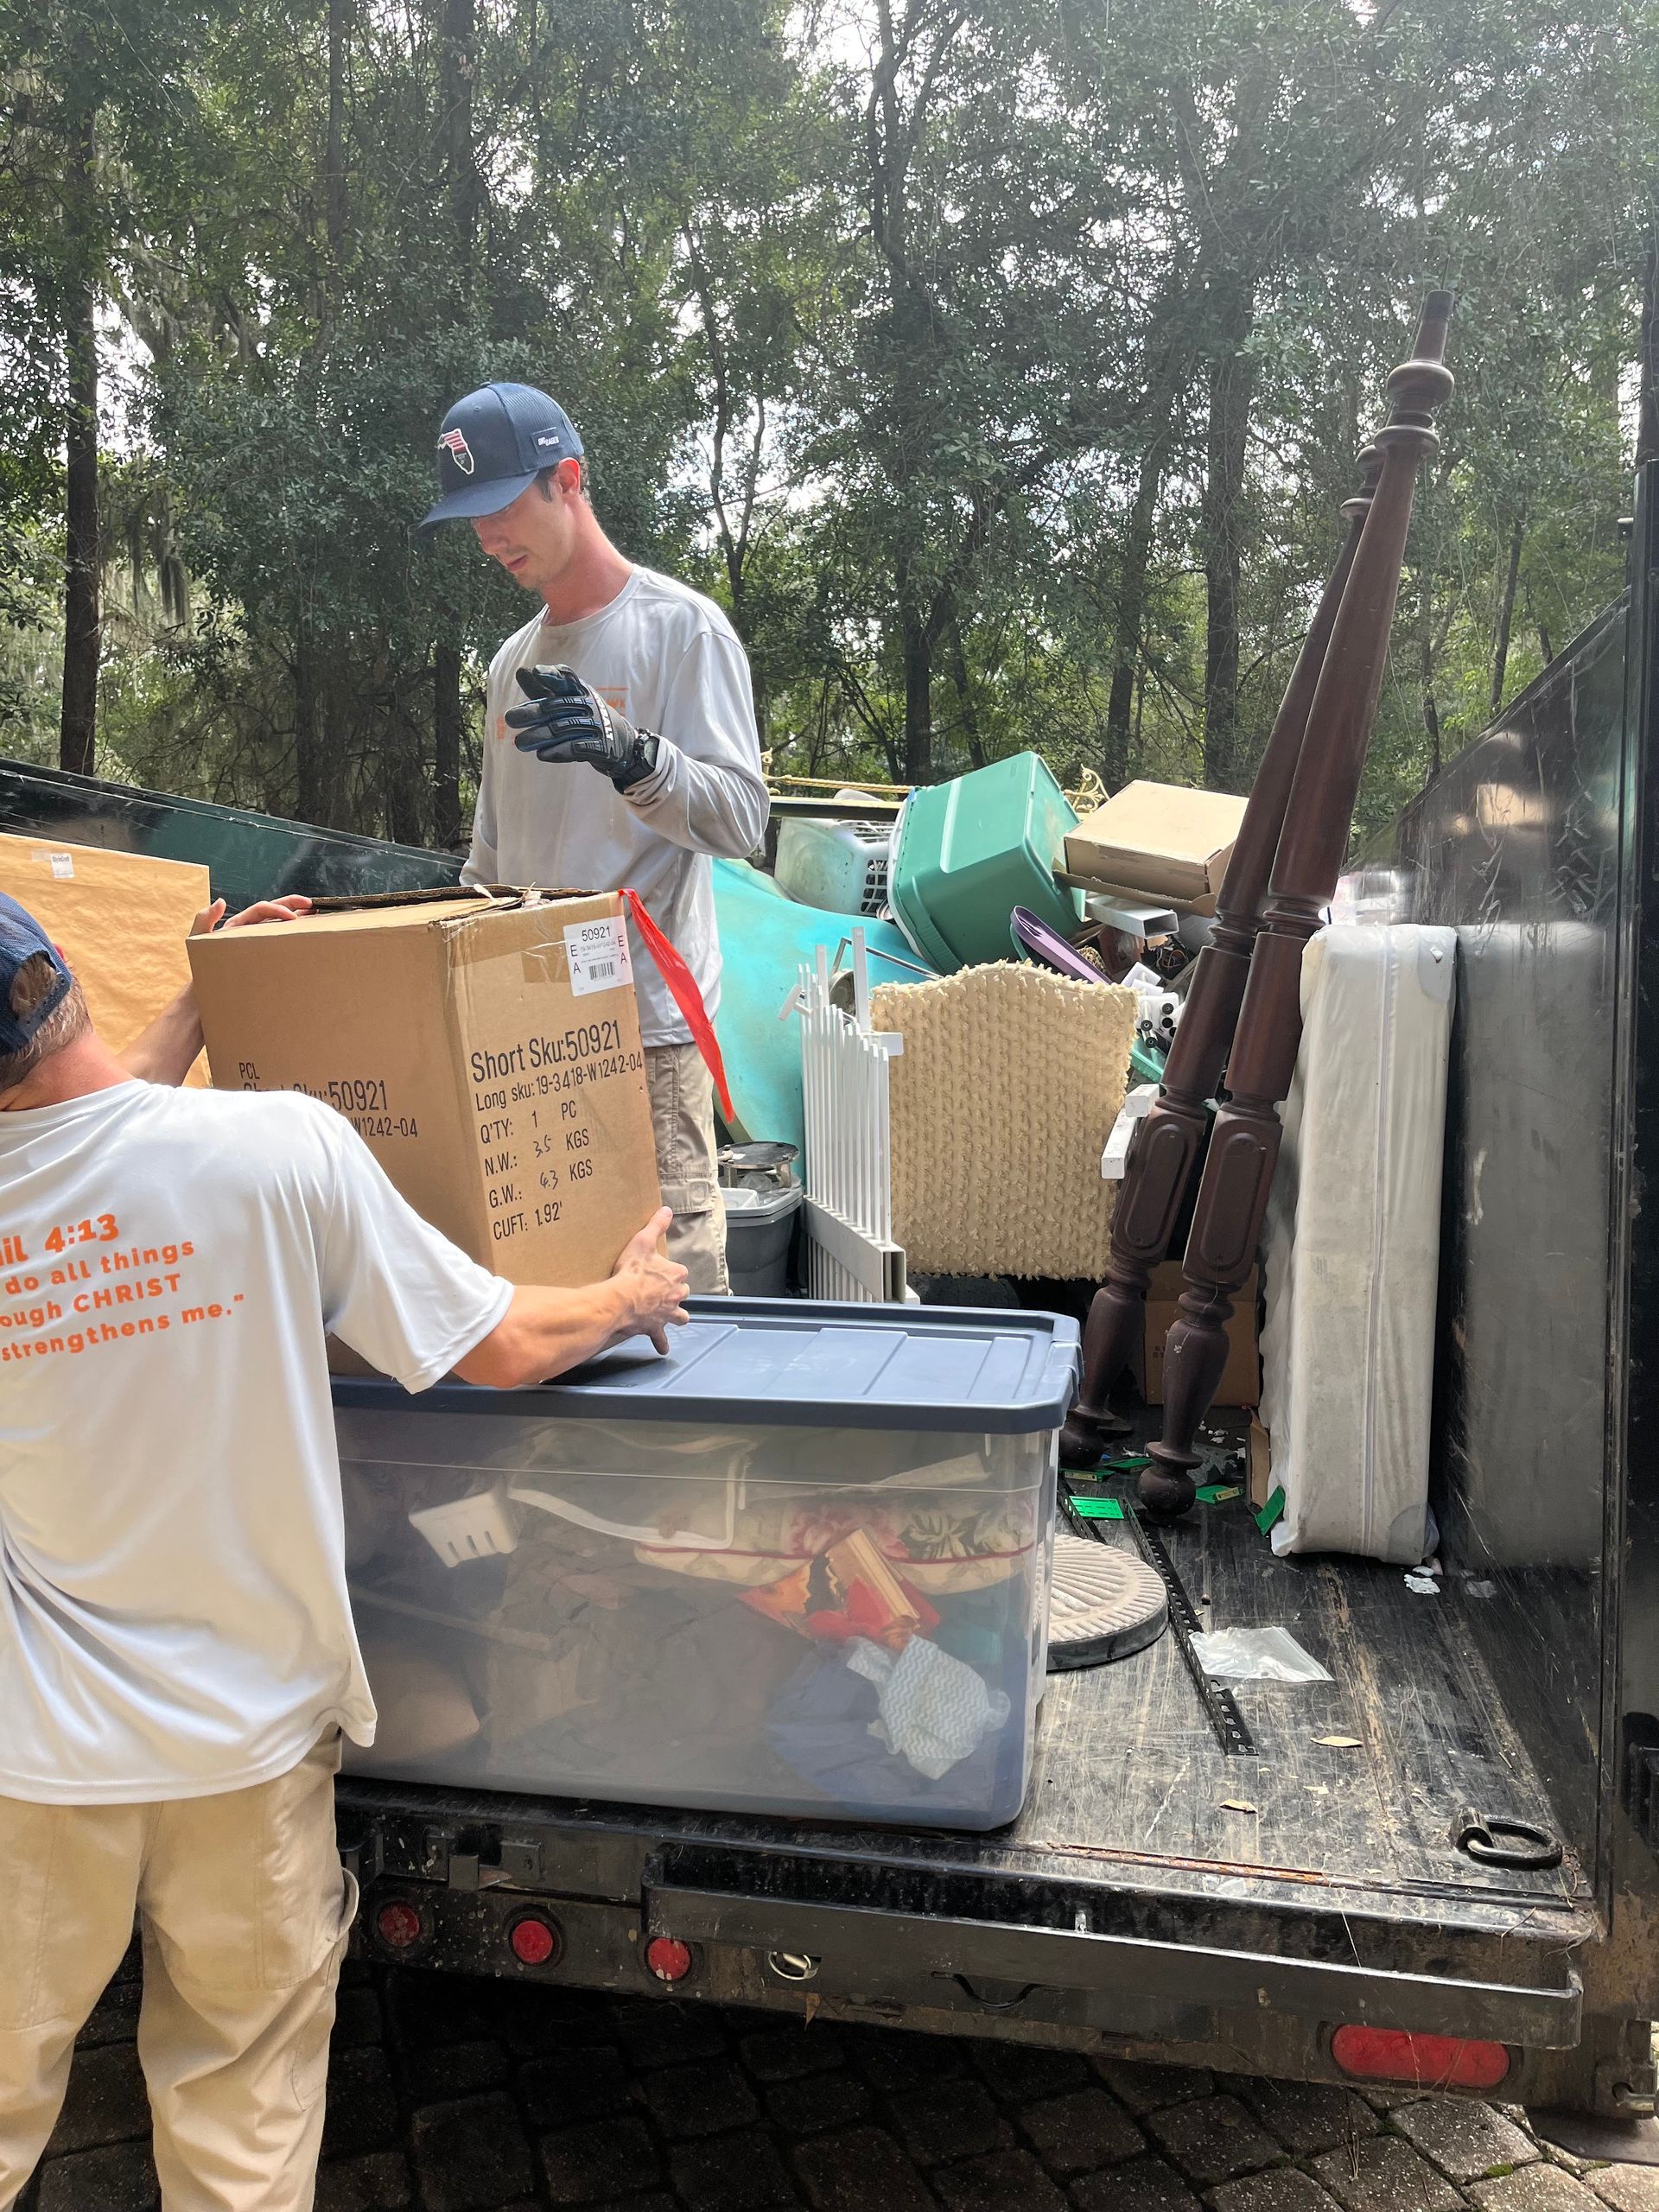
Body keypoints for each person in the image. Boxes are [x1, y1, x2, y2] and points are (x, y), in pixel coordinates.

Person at [0, 892, 689, 2211]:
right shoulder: (275, 1154)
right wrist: (628, 1295)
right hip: (244, 1749)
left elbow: (79, 1145)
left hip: (31, 1767)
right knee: (242, 2119)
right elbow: (496, 1345)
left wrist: (201, 1006)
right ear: (57, 968)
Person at [420, 380, 770, 1293]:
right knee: (553, 1282)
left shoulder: (681, 632)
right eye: (470, 518)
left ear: (566, 478)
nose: (487, 536)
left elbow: (742, 819)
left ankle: (700, 1444)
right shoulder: (512, 664)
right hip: (532, 1031)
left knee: (673, 1284)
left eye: (499, 506)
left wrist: (632, 755)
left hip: (644, 1025)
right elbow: (492, 859)